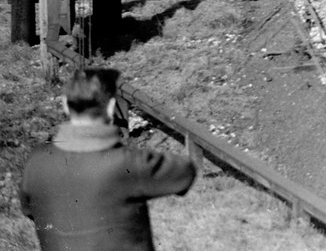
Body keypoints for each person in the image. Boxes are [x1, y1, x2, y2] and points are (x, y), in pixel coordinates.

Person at [20, 68, 197, 251]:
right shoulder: (127, 163)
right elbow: (184, 173)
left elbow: (29, 209)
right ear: (112, 108)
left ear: (65, 104)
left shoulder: (36, 162)